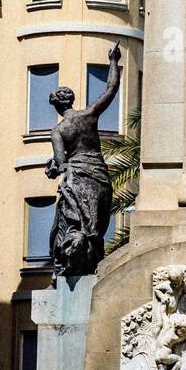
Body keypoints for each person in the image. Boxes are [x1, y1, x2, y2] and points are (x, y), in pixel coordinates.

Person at [45, 44, 122, 283]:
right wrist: (112, 60)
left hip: (76, 179)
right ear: (71, 100)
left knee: (72, 222)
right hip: (98, 176)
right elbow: (111, 88)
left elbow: (62, 166)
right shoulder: (89, 115)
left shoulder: (58, 131)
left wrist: (53, 167)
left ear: (56, 107)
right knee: (96, 229)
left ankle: (70, 263)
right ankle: (90, 266)